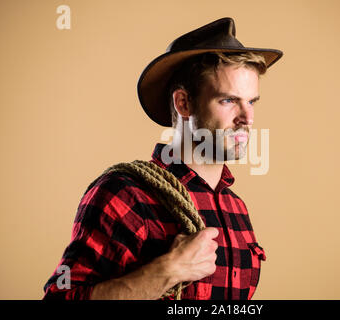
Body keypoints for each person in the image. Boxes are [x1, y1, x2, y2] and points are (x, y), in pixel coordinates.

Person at [43, 17, 283, 300]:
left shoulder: (236, 208)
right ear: (183, 103)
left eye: (251, 101)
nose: (248, 118)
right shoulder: (125, 194)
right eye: (228, 100)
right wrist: (168, 271)